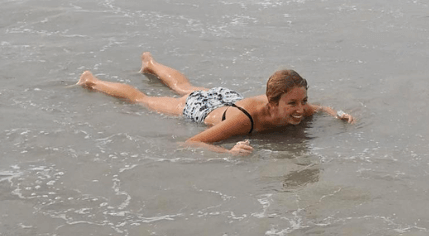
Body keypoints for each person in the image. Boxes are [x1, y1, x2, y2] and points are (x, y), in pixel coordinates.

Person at [76, 52, 354, 155]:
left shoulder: (300, 108)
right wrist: (229, 153)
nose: (300, 108)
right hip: (205, 109)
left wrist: (338, 114)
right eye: (292, 103)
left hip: (229, 98)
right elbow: (192, 143)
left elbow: (321, 108)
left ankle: (150, 63)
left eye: (302, 101)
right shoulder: (245, 122)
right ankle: (92, 81)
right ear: (273, 101)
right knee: (145, 99)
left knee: (183, 84)